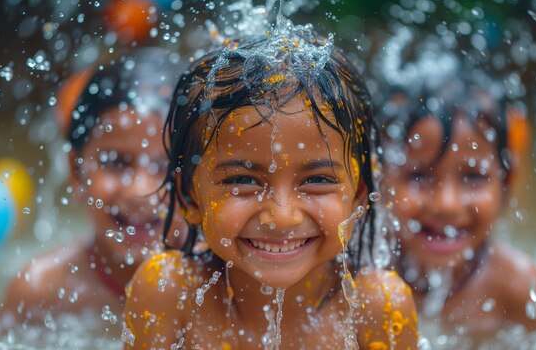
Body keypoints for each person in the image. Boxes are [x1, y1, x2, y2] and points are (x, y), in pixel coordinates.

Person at [123, 24, 419, 350]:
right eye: (243, 181)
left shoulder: (377, 308)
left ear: (359, 195)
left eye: (317, 180)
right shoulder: (169, 292)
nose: (282, 217)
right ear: (190, 197)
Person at [0, 47, 188, 329]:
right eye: (116, 162)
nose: (140, 189)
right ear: (76, 171)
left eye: (165, 165)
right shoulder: (39, 293)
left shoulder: (229, 281)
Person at [375, 32, 536, 338]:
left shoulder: (516, 287)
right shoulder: (356, 274)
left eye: (473, 177)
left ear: (505, 184)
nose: (447, 204)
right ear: (378, 180)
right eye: (419, 176)